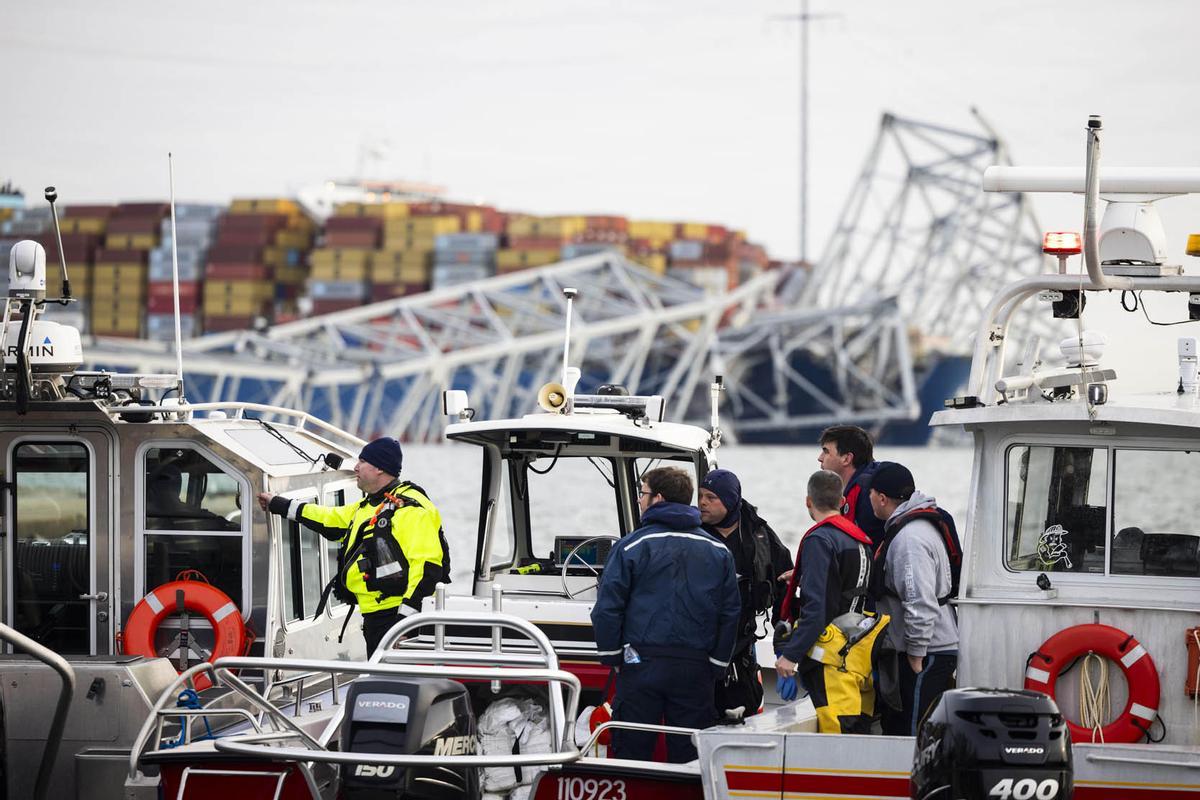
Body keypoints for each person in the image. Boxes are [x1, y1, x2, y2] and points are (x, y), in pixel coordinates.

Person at [590, 467, 739, 762]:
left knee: (632, 752)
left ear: (658, 498)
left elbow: (607, 609)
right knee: (691, 758)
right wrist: (716, 664)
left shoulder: (630, 546)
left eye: (643, 493)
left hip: (639, 663)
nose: (640, 499)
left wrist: (614, 658)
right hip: (696, 669)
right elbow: (730, 612)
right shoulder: (718, 550)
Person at [256, 437, 447, 655]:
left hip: (398, 620)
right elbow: (327, 518)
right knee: (382, 681)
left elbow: (427, 569)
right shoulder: (370, 506)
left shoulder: (411, 509)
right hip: (377, 617)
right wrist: (278, 504)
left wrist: (405, 622)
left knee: (396, 684)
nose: (355, 467)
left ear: (379, 469)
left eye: (362, 461)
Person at [774, 470, 887, 734]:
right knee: (858, 727)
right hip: (858, 653)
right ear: (843, 500)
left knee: (837, 735)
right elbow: (849, 587)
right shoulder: (860, 540)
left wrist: (790, 655)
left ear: (808, 502)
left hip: (832, 658)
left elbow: (817, 608)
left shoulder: (820, 540)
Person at [867, 462, 958, 736]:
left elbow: (919, 600)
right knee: (902, 725)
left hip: (927, 652)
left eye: (869, 493)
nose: (867, 499)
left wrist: (917, 653)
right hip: (924, 648)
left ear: (882, 498)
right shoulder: (913, 527)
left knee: (912, 733)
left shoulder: (909, 541)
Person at [697, 469, 792, 720]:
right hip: (697, 644)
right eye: (700, 496)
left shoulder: (759, 536)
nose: (702, 503)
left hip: (740, 647)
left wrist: (785, 646)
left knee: (744, 711)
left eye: (710, 497)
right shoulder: (692, 534)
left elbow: (784, 586)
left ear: (729, 501)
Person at [817, 425, 886, 545]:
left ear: (846, 459)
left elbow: (869, 548)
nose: (820, 458)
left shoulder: (867, 493)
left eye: (826, 451)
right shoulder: (865, 484)